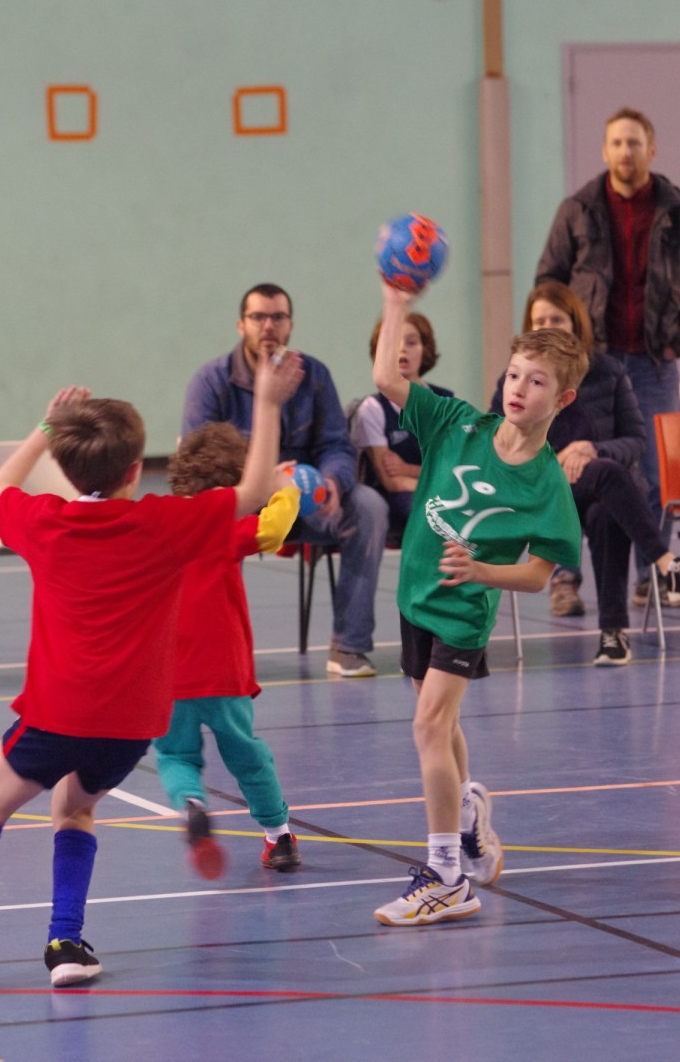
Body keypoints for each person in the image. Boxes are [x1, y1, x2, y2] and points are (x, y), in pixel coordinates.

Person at [0, 350, 302, 994]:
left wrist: (45, 426)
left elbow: (0, 487)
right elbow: (255, 493)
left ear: (66, 467)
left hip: (56, 714)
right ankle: (65, 945)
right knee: (74, 810)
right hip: (130, 728)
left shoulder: (43, 520)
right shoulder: (163, 522)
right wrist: (266, 403)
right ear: (137, 469)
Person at [371, 279, 587, 927]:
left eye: (537, 382)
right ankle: (466, 811)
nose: (519, 388)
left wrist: (481, 570)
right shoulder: (456, 422)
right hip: (416, 595)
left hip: (464, 613)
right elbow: (386, 377)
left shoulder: (546, 483)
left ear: (564, 398)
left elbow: (539, 575)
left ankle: (446, 878)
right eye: (514, 374)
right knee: (438, 722)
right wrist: (395, 301)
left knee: (428, 727)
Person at [536, 107, 680, 603]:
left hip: (653, 363)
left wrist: (679, 339)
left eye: (634, 142)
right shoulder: (577, 209)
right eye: (616, 142)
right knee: (571, 467)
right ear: (604, 150)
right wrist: (564, 344)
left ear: (651, 150)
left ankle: (649, 577)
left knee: (655, 473)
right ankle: (565, 578)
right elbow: (549, 281)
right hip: (588, 366)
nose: (625, 151)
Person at [491, 281, 680, 666]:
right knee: (609, 474)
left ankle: (614, 637)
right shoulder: (515, 379)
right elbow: (498, 443)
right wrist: (555, 460)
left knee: (605, 508)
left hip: (594, 490)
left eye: (557, 319)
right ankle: (667, 565)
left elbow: (636, 440)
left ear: (575, 323)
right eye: (540, 320)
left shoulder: (607, 372)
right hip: (536, 491)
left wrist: (593, 450)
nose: (549, 326)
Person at [182, 283, 389, 679]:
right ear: (241, 325)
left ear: (290, 324)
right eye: (258, 317)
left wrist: (332, 482)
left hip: (307, 501)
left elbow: (337, 445)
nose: (268, 326)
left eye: (278, 317)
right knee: (209, 523)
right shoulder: (211, 381)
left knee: (369, 507)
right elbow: (197, 462)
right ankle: (220, 653)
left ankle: (348, 647)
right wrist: (258, 485)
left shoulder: (315, 375)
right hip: (243, 502)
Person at [154, 422, 302, 880]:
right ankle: (278, 834)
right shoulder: (224, 526)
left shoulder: (159, 524)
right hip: (224, 670)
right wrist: (285, 488)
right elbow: (274, 530)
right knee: (247, 754)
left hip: (167, 674)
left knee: (175, 756)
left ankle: (192, 804)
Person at [352, 311, 452, 540]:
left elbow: (453, 471)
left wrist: (408, 469)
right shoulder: (373, 409)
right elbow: (392, 481)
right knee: (428, 510)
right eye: (393, 342)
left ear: (425, 349)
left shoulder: (445, 403)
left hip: (440, 492)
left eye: (411, 342)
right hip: (399, 500)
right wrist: (438, 487)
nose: (402, 349)